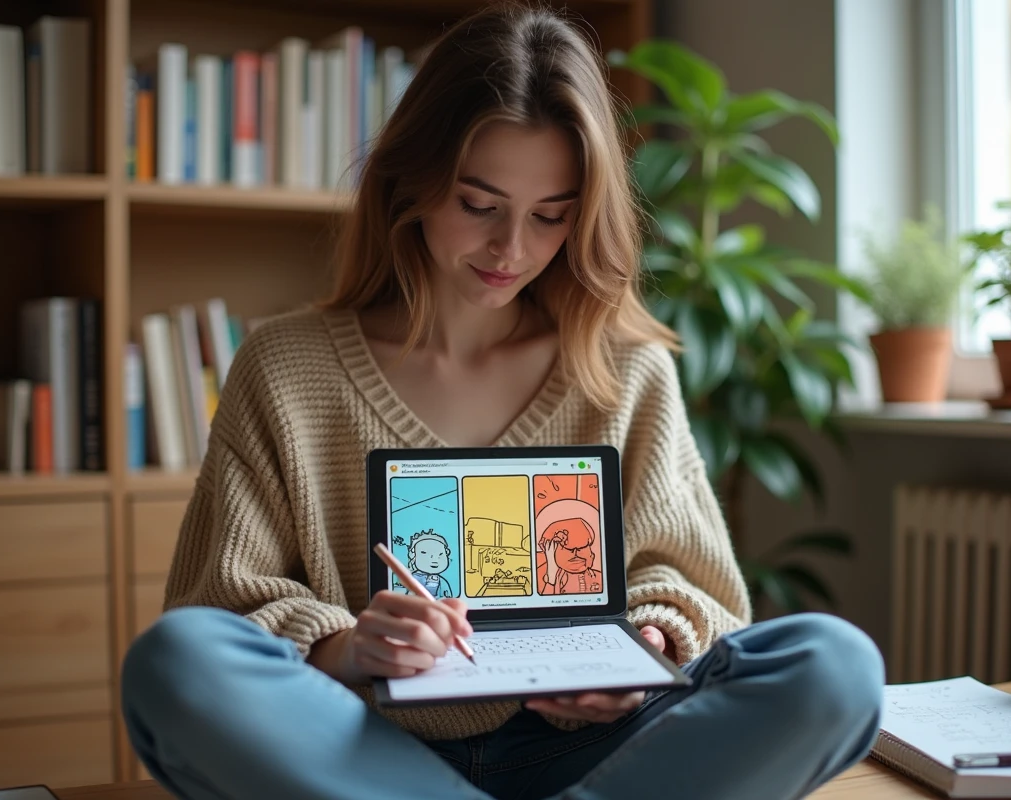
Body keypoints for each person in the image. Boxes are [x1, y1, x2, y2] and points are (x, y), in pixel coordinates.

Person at [120, 5, 885, 799]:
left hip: (605, 750)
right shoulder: (283, 368)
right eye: (479, 205)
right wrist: (350, 648)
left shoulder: (626, 367)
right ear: (408, 182)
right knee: (174, 661)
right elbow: (223, 605)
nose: (510, 250)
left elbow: (696, 590)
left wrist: (644, 646)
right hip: (362, 752)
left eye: (551, 216)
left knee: (835, 664)